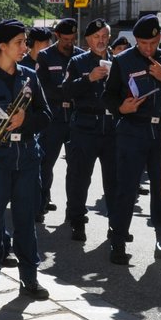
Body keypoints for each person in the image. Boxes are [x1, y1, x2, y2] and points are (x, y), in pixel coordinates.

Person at [0, 20, 51, 302]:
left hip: (26, 157)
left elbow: (46, 116)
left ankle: (30, 278)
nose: (24, 47)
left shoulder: (30, 77)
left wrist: (26, 120)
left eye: (25, 42)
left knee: (25, 221)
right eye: (19, 43)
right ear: (2, 46)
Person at [103, 13, 161, 266]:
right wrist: (121, 109)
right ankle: (118, 243)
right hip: (133, 131)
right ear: (136, 40)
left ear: (159, 38)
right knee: (126, 190)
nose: (148, 48)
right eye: (142, 43)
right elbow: (108, 96)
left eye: (152, 43)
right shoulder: (122, 60)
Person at [62, 19, 119, 243]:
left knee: (115, 181)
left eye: (105, 36)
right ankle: (77, 220)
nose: (101, 40)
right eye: (96, 37)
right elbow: (66, 90)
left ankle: (116, 225)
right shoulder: (77, 62)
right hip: (85, 126)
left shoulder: (119, 61)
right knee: (79, 177)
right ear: (87, 40)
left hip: (113, 127)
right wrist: (88, 78)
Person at [35, 18, 79, 221]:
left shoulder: (80, 56)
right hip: (53, 118)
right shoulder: (45, 56)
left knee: (77, 167)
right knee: (45, 163)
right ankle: (40, 203)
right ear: (57, 36)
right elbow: (44, 88)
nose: (69, 42)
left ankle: (74, 210)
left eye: (72, 38)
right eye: (65, 38)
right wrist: (68, 91)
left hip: (75, 118)